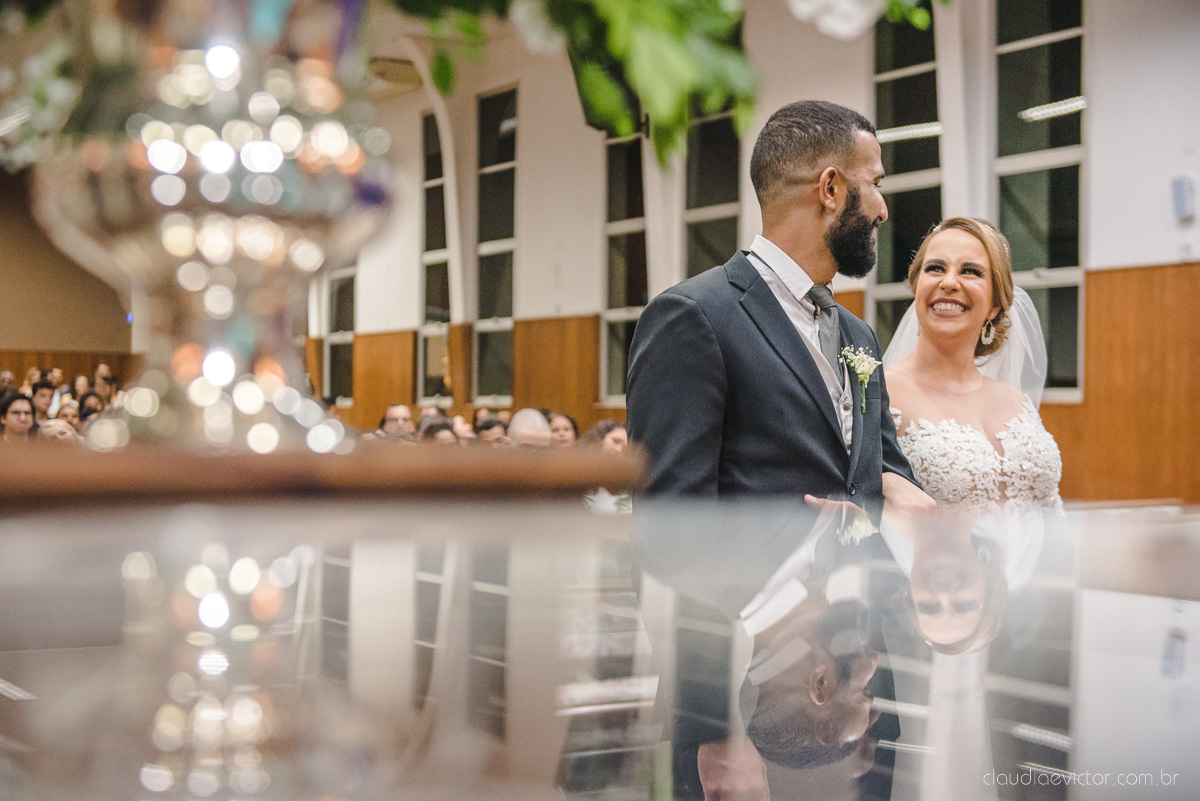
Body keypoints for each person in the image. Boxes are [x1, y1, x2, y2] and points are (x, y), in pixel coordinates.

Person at [627, 100, 932, 523]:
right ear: (830, 189)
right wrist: (797, 574)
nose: (883, 210)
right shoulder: (693, 317)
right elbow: (667, 526)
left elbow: (874, 479)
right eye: (875, 183)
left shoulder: (859, 335)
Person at [881, 217, 1063, 516]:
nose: (949, 282)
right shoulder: (882, 393)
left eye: (970, 271)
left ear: (994, 304)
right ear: (916, 289)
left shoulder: (1017, 402)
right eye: (935, 268)